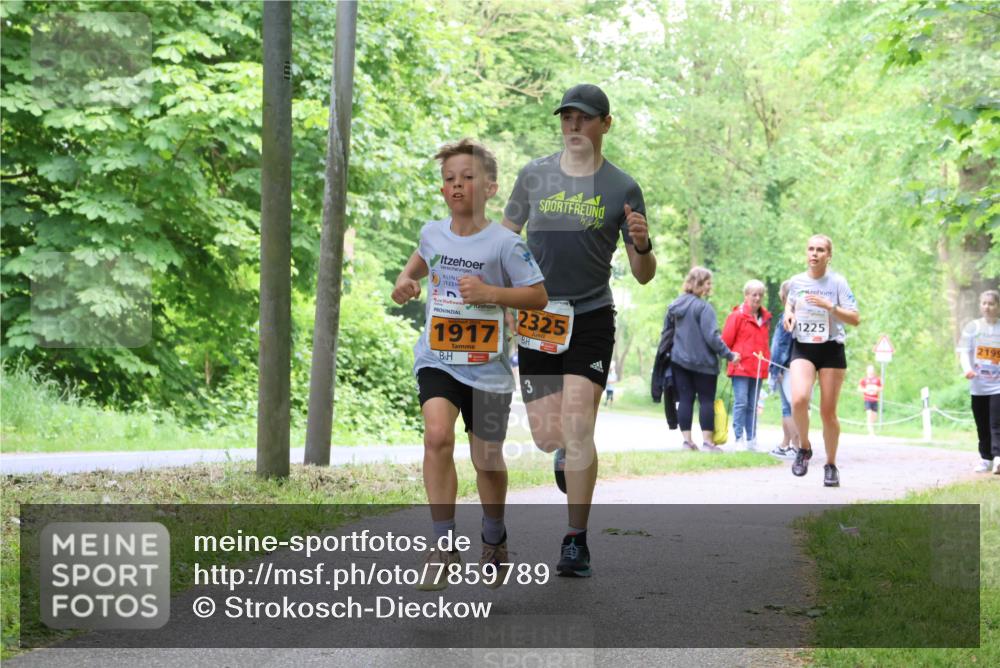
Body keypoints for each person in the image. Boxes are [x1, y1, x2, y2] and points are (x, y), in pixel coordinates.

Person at [502, 83, 657, 577]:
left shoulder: (622, 188)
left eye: (584, 118)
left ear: (605, 124)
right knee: (550, 436)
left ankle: (576, 540)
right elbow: (504, 240)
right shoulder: (533, 176)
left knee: (578, 424)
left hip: (590, 316)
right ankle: (563, 453)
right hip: (537, 315)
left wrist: (643, 243)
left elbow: (643, 272)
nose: (573, 126)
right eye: (567, 117)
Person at [391, 138, 547, 590]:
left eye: (467, 177)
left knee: (487, 459)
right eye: (449, 179)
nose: (457, 185)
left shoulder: (505, 245)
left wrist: (491, 294)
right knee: (436, 436)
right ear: (442, 191)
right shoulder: (431, 233)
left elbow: (537, 295)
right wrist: (404, 281)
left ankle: (494, 536)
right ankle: (442, 546)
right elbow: (418, 265)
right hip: (438, 359)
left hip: (489, 369)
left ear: (491, 188)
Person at [783, 234, 860, 487]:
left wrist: (831, 307)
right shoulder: (796, 281)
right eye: (810, 249)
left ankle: (831, 464)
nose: (814, 254)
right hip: (803, 346)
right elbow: (790, 305)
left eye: (820, 250)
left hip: (830, 349)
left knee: (828, 413)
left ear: (829, 256)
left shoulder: (837, 282)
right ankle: (804, 447)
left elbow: (855, 318)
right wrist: (788, 316)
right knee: (799, 399)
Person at [667, 267, 740, 453]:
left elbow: (667, 334)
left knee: (685, 399)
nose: (710, 287)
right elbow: (712, 337)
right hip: (704, 364)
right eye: (708, 283)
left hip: (679, 361)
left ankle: (687, 442)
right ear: (699, 283)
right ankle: (707, 443)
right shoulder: (704, 308)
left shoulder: (675, 306)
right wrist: (730, 355)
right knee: (706, 401)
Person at [722, 279, 772, 451]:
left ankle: (752, 440)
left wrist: (767, 365)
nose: (757, 298)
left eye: (760, 295)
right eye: (754, 294)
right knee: (741, 402)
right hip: (741, 368)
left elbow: (765, 345)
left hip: (758, 369)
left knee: (753, 405)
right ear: (746, 296)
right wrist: (733, 357)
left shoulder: (766, 319)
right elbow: (725, 342)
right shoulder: (736, 316)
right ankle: (738, 439)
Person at [956, 289, 1000, 474]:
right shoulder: (972, 327)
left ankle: (998, 458)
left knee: (996, 423)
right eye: (984, 303)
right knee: (981, 423)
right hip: (978, 384)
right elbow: (964, 351)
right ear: (980, 305)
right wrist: (967, 369)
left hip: (998, 385)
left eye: (991, 304)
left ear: (998, 306)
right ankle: (986, 459)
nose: (987, 307)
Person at [768, 280, 799, 459]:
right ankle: (786, 443)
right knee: (792, 407)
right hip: (799, 366)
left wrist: (775, 368)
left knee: (788, 408)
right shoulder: (802, 316)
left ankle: (796, 445)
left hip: (785, 367)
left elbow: (780, 346)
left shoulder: (786, 318)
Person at [857, 365, 883, 437]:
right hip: (867, 399)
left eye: (872, 370)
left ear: (873, 371)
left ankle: (871, 427)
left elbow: (881, 388)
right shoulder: (864, 380)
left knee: (874, 416)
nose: (871, 371)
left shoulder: (877, 380)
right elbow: (859, 388)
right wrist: (866, 390)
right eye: (869, 370)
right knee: (869, 414)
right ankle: (871, 432)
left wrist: (876, 389)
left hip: (875, 399)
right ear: (867, 371)